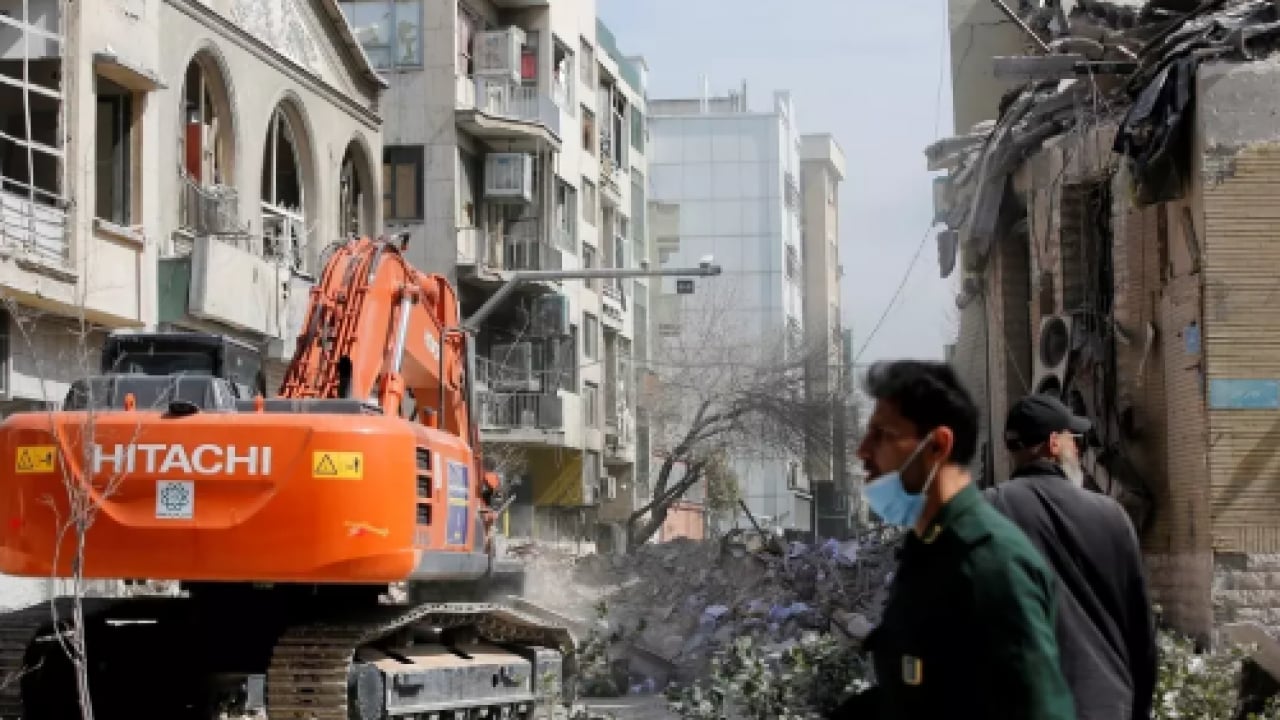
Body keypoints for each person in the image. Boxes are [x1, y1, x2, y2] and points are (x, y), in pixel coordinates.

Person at [829, 360, 1074, 720]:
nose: (863, 451)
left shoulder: (990, 565)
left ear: (937, 446)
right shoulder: (929, 552)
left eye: (883, 434)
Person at [986, 393, 1158, 720]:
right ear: (1054, 443)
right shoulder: (1111, 516)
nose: (1079, 450)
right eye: (1074, 439)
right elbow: (1140, 631)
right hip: (1104, 705)